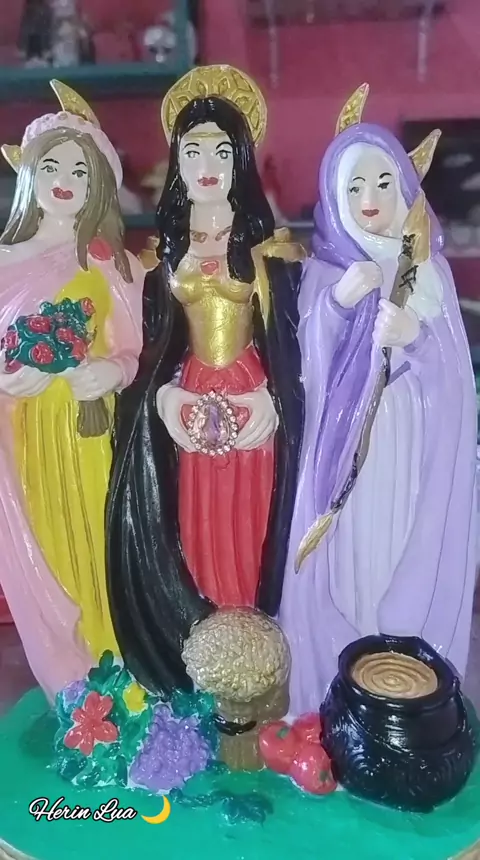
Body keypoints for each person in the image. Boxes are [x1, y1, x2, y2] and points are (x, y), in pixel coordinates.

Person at [107, 65, 305, 696]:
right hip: (190, 399)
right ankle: (205, 655)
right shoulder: (162, 254)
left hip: (250, 395)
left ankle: (257, 661)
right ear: (177, 163)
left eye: (222, 151)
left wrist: (273, 399)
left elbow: (293, 343)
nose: (207, 165)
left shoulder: (269, 249)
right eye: (193, 152)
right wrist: (165, 397)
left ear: (241, 160)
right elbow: (151, 348)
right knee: (196, 522)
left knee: (251, 521)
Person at [279, 84, 477, 715]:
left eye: (384, 183)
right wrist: (338, 306)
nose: (370, 199)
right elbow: (304, 366)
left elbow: (454, 375)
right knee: (351, 556)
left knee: (399, 546)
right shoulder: (324, 272)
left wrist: (415, 336)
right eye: (355, 187)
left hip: (409, 439)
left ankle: (402, 669)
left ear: (406, 189)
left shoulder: (430, 273)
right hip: (344, 453)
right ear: (334, 198)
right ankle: (344, 669)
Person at [0, 80, 145, 699]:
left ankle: (118, 665)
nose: (64, 180)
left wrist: (112, 371)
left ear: (99, 185)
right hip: (26, 437)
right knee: (47, 547)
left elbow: (135, 348)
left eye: (80, 170)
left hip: (90, 431)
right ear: (29, 173)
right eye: (51, 166)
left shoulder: (109, 263)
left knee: (100, 542)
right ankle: (70, 684)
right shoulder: (4, 260)